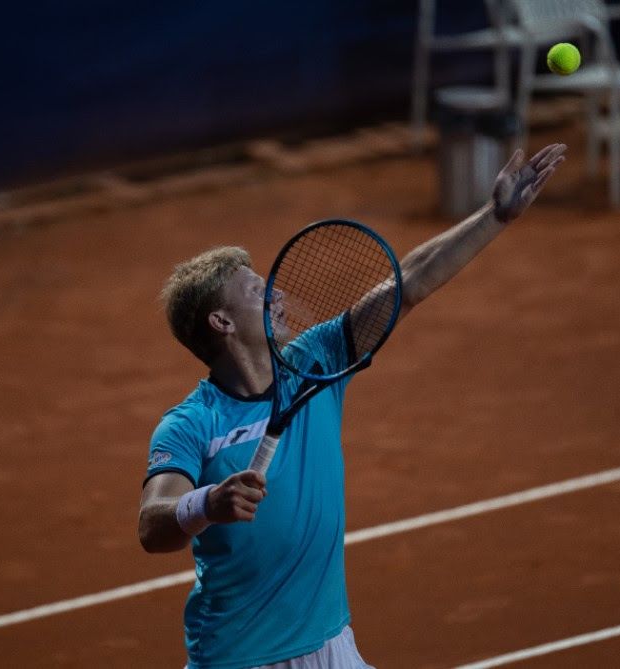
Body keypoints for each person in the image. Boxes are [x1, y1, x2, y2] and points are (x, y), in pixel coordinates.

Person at [139, 143, 567, 668]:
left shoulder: (316, 359)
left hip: (331, 646)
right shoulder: (191, 424)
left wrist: (494, 216)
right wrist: (206, 504)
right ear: (222, 324)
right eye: (256, 292)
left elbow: (408, 284)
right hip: (239, 658)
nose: (274, 295)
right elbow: (152, 527)